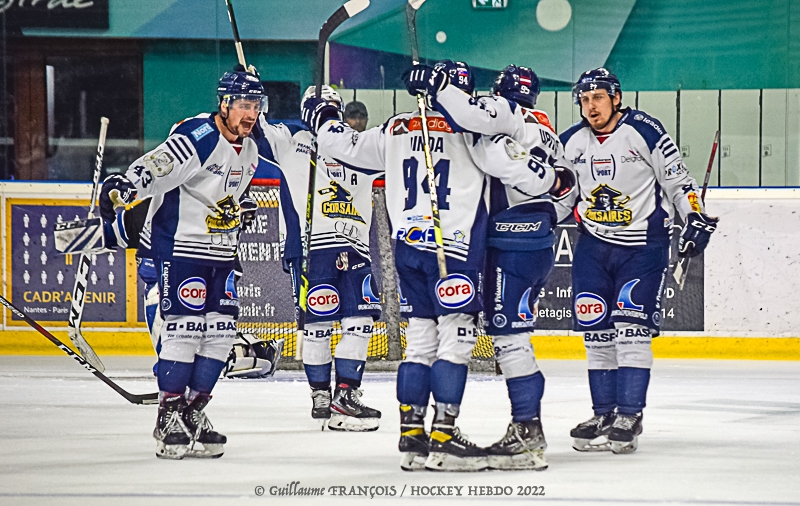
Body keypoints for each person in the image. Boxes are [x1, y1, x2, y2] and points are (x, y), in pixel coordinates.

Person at [304, 60, 559, 471]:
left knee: (420, 340)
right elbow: (519, 170)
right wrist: (553, 179)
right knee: (455, 341)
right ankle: (443, 438)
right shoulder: (473, 129)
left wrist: (324, 116)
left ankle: (412, 437)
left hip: (406, 247)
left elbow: (342, 147)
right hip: (451, 249)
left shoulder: (394, 128)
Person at [99, 65, 268, 459]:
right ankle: (167, 415)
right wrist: (127, 183)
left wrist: (239, 207)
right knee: (186, 330)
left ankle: (193, 413)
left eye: (256, 105)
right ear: (224, 103)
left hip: (223, 254)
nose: (251, 113)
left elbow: (224, 193)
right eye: (244, 104)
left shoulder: (253, 149)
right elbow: (155, 167)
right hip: (183, 249)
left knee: (221, 336)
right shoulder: (197, 135)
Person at [557, 68, 718, 454]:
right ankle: (604, 412)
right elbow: (561, 194)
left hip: (642, 248)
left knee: (631, 332)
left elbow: (679, 183)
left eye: (597, 97)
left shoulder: (645, 130)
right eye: (583, 99)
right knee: (596, 334)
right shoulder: (571, 142)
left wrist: (694, 215)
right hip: (593, 247)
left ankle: (629, 413)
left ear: (615, 97)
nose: (590, 106)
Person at [427, 63, 575, 470]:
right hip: (537, 242)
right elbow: (568, 192)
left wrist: (439, 88)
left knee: (511, 341)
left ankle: (528, 434)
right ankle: (526, 429)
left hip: (511, 241)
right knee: (515, 337)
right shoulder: (546, 130)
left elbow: (482, 137)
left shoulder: (505, 113)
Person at [256, 85, 383, 431]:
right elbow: (256, 126)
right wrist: (253, 93)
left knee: (361, 323)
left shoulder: (357, 146)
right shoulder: (290, 140)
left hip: (355, 246)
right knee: (317, 326)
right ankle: (320, 395)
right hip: (309, 247)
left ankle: (346, 394)